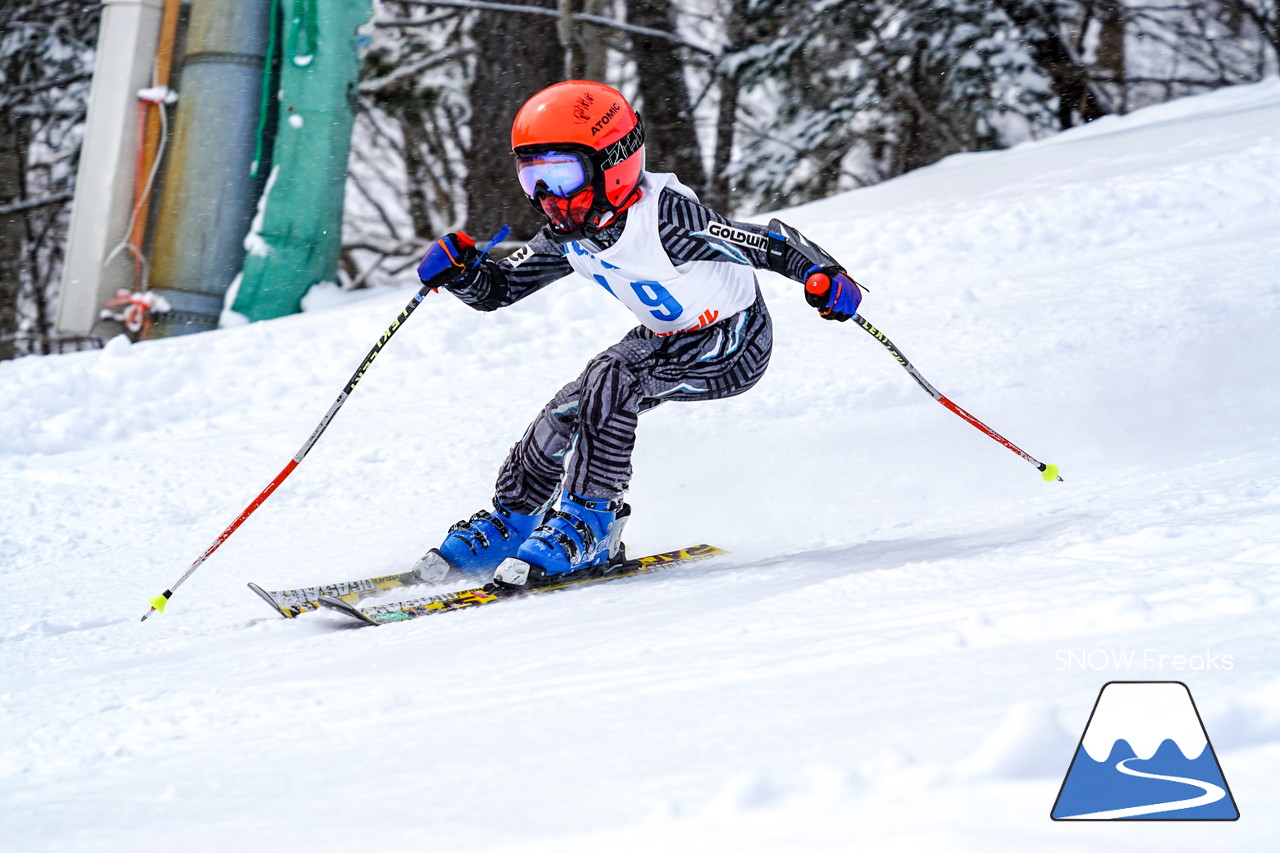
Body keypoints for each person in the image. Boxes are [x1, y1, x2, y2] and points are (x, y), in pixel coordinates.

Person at [412, 80, 862, 590]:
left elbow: (768, 243)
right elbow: (500, 289)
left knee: (612, 373)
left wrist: (824, 275)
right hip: (666, 338)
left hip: (732, 342)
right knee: (569, 407)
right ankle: (515, 520)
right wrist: (462, 274)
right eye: (532, 178)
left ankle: (593, 521)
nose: (548, 198)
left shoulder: (667, 219)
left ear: (613, 162)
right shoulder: (569, 234)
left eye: (561, 174)